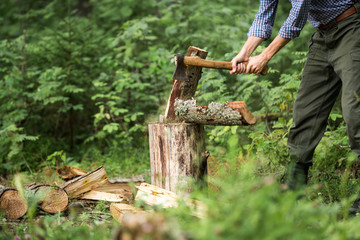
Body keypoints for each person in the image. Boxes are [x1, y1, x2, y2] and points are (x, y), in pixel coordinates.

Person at [230, 0, 360, 215]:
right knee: (305, 113)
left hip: (350, 30)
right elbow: (264, 16)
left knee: (355, 113)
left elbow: (298, 15)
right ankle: (293, 193)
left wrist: (265, 55)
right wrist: (244, 52)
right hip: (322, 36)